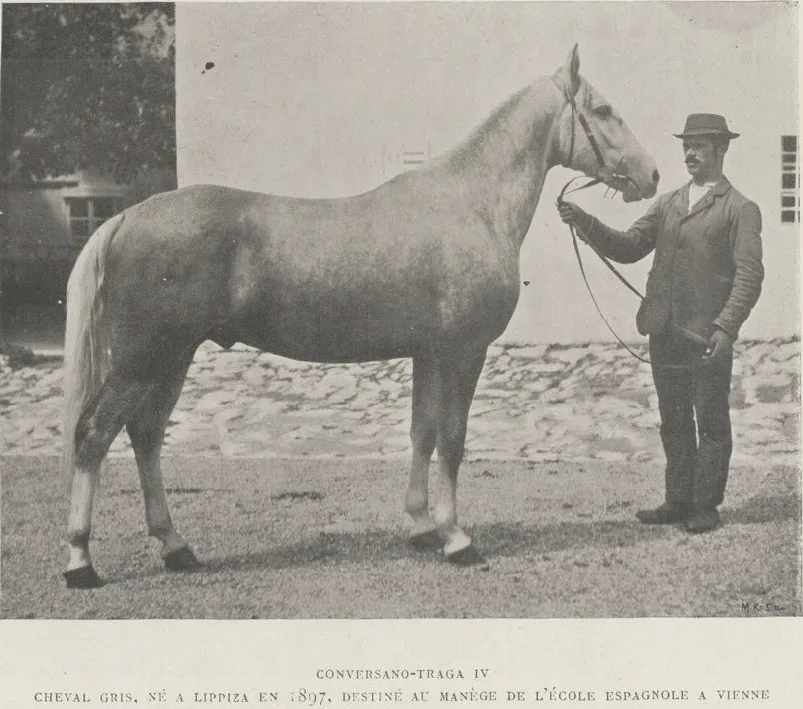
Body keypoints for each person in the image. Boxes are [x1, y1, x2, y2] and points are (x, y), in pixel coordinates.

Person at [557, 113, 764, 533]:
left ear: (721, 149)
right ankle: (678, 500)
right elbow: (630, 246)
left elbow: (750, 275)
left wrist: (725, 328)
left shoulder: (740, 209)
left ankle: (705, 506)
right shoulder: (669, 203)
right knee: (673, 420)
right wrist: (585, 221)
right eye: (686, 145)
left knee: (711, 423)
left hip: (706, 337)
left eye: (699, 145)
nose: (690, 153)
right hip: (663, 331)